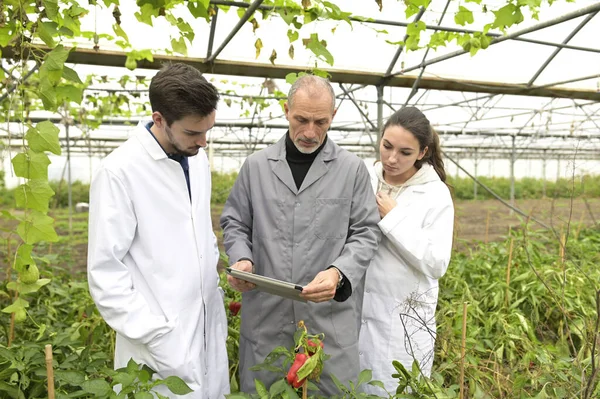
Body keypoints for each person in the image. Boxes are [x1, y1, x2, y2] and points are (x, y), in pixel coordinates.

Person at [220, 75, 381, 395]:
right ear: (285, 110)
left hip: (327, 320)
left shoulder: (352, 170)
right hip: (268, 316)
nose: (310, 132)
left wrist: (339, 271)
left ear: (333, 116)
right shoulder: (256, 167)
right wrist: (241, 258)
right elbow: (235, 221)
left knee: (328, 388)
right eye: (301, 119)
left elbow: (366, 231)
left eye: (321, 121)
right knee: (267, 388)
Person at [87, 63, 229, 399]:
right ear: (160, 119)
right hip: (159, 343)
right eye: (194, 133)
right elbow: (106, 275)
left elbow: (200, 234)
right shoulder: (120, 172)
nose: (204, 141)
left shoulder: (195, 160)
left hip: (204, 329)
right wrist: (158, 336)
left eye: (208, 130)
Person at [358, 107, 454, 395]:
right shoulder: (364, 177)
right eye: (387, 146)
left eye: (404, 152)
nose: (391, 159)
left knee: (393, 387)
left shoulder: (435, 194)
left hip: (402, 321)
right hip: (357, 313)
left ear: (422, 153)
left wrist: (394, 217)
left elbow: (437, 263)